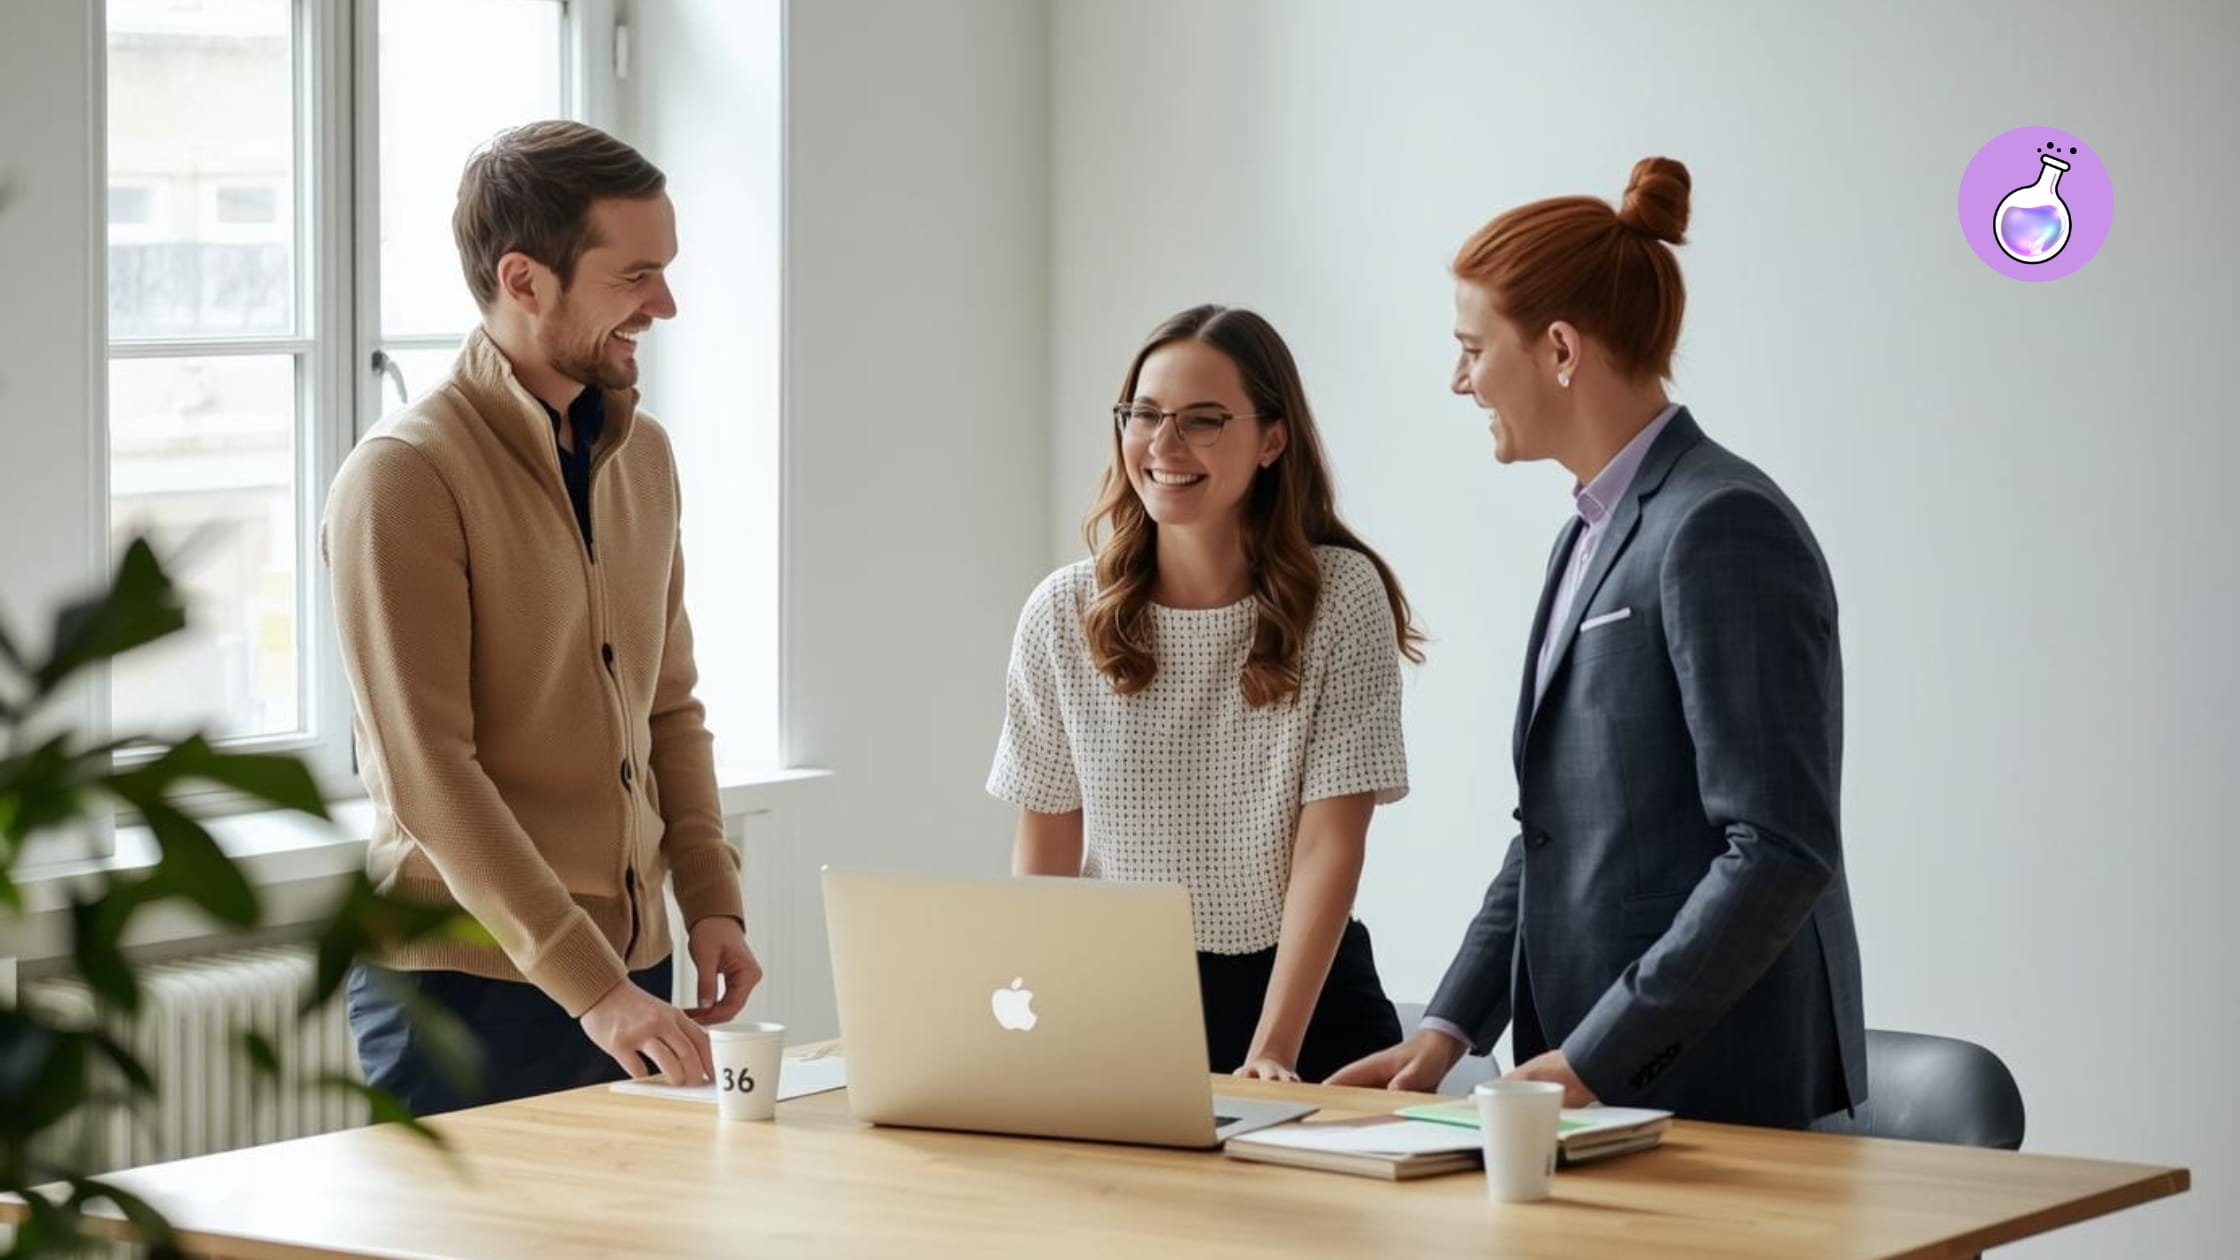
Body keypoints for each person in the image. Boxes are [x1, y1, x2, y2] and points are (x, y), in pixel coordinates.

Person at [1329, 158, 1866, 1128]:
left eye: (1470, 347)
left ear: (1560, 349)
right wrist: (1447, 1029)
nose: (1458, 380)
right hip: (1584, 1097)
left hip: (1714, 1093)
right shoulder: (1583, 534)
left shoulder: (1720, 526)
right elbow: (1550, 830)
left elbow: (1777, 849)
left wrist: (1594, 1056)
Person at [324, 120, 759, 1116]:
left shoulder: (642, 457)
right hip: (462, 995)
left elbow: (670, 711)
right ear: (523, 281)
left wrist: (710, 900)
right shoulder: (403, 478)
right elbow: (430, 774)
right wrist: (592, 988)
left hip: (631, 977)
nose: (665, 305)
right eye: (634, 277)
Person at [990, 303, 1420, 1084]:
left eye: (1203, 420)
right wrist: (1037, 1018)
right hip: (1123, 1006)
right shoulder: (1060, 613)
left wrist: (1271, 1050)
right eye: (1145, 415)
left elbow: (1330, 846)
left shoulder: (1341, 598)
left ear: (1272, 439)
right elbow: (1046, 851)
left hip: (1306, 1011)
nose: (1163, 445)